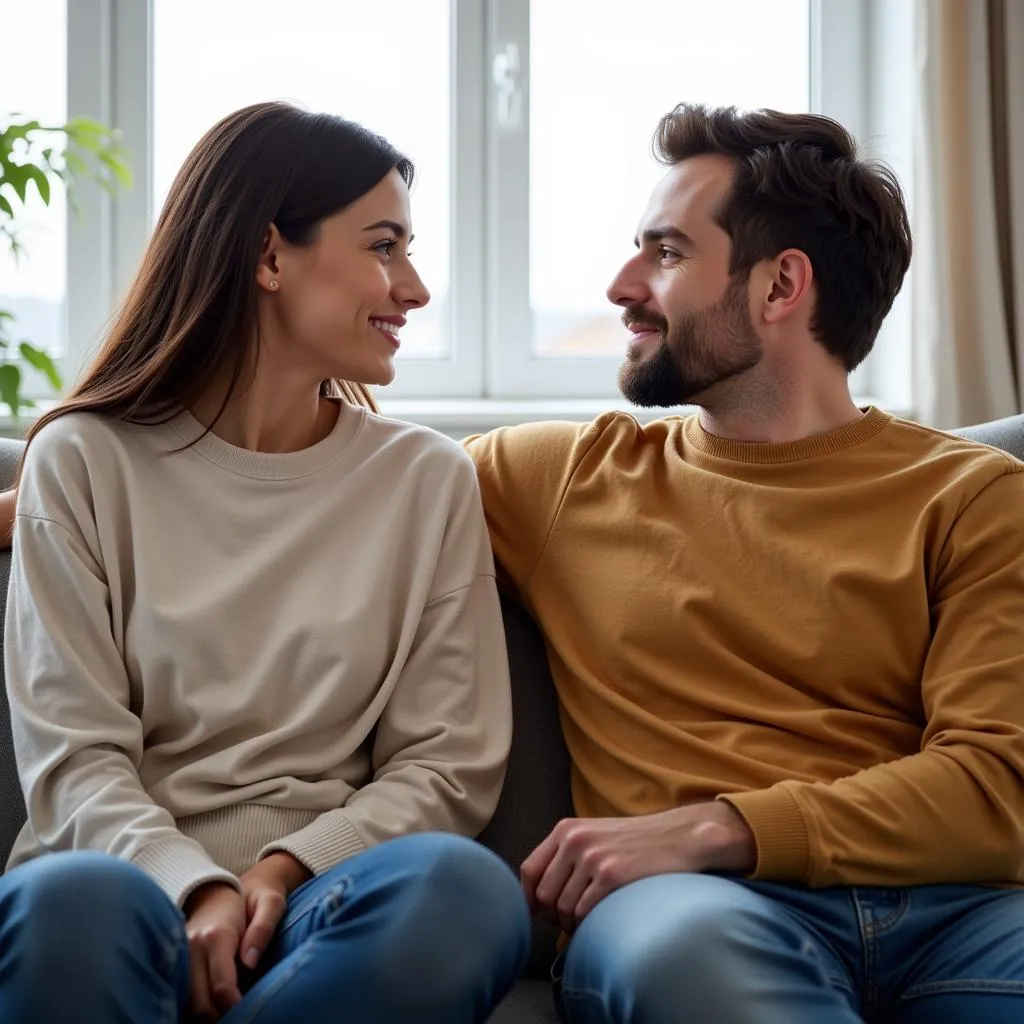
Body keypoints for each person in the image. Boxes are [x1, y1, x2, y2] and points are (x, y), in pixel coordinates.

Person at [463, 105, 1024, 1023]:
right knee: (696, 966)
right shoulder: (555, 480)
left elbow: (998, 785)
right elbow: (328, 481)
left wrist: (720, 826)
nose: (620, 284)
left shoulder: (973, 497)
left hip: (956, 915)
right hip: (698, 921)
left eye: (667, 253)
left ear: (780, 285)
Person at [0, 101, 528, 1023]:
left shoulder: (423, 480)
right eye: (384, 246)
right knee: (72, 905)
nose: (414, 288)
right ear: (270, 254)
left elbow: (447, 764)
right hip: (116, 896)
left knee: (463, 891)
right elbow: (73, 761)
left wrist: (282, 872)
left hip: (322, 901)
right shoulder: (83, 460)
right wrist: (195, 887)